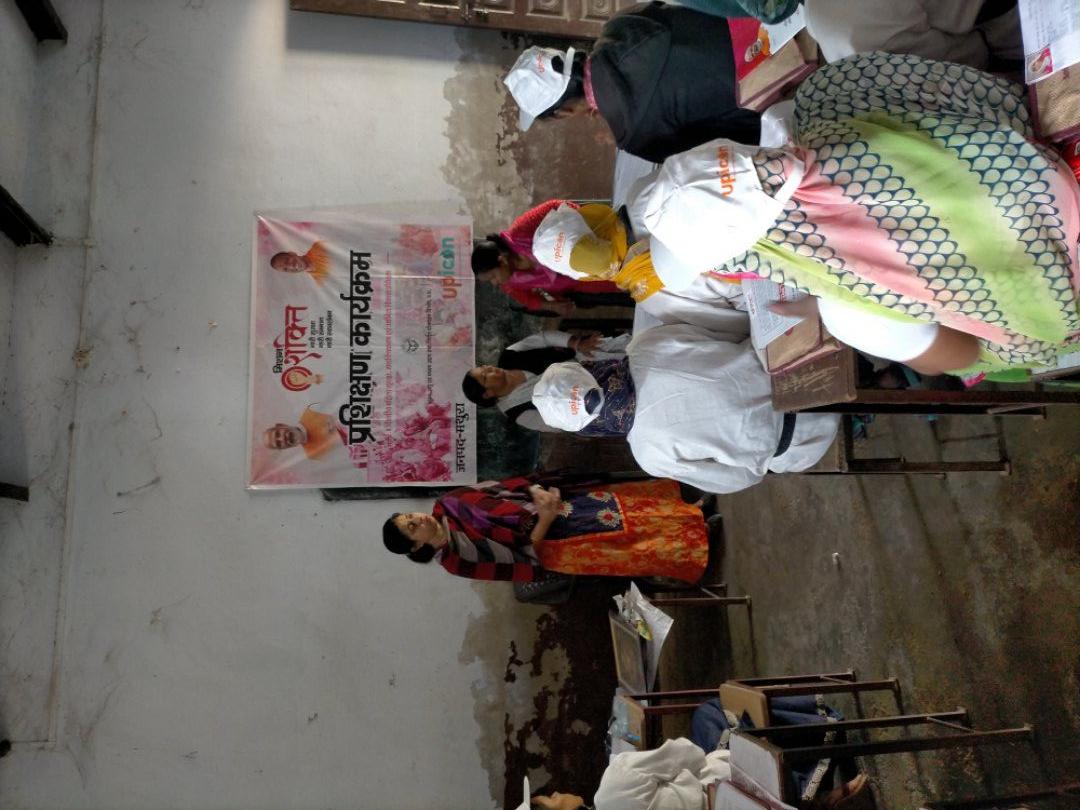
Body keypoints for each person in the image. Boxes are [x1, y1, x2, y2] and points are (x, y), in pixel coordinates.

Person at [560, 53, 1080, 375]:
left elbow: (963, 354)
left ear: (754, 252)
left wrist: (833, 307)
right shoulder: (827, 98)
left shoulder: (856, 305)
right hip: (1061, 139)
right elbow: (979, 90)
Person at [502, 3, 761, 163]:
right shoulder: (622, 22)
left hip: (769, 95)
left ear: (564, 112)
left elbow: (725, 148)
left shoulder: (637, 139)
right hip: (764, 27)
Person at [382, 475, 710, 583]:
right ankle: (697, 544)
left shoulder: (449, 502)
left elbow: (500, 488)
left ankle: (691, 515)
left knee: (623, 511)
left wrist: (534, 490)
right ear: (416, 546)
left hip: (557, 509)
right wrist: (545, 519)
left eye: (411, 515)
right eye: (411, 528)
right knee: (630, 546)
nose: (418, 520)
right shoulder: (456, 560)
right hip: (555, 545)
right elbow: (521, 561)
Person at [473, 199, 630, 316]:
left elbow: (554, 206)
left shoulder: (521, 233)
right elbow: (529, 301)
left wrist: (580, 225)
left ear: (501, 260)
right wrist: (552, 306)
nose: (495, 282)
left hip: (591, 237)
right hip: (583, 281)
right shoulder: (511, 284)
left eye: (493, 276)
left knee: (627, 244)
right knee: (627, 276)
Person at [463, 330, 632, 432]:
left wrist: (577, 343)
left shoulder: (509, 355)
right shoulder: (517, 412)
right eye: (485, 376)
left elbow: (543, 338)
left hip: (582, 355)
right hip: (592, 395)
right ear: (488, 394)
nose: (491, 369)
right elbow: (557, 425)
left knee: (632, 347)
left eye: (485, 367)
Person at [262, 406, 344, 460]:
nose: (282, 438)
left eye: (278, 434)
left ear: (282, 425)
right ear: (283, 448)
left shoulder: (310, 413)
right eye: (279, 443)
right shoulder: (313, 454)